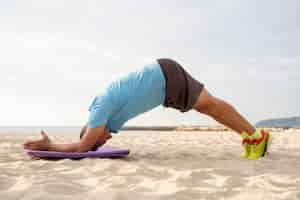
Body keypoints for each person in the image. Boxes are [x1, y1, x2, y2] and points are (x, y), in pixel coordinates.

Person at [23, 58, 270, 160]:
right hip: (163, 77)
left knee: (210, 106)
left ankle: (255, 137)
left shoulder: (98, 111)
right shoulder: (109, 119)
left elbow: (82, 147)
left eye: (99, 140)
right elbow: (87, 143)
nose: (106, 140)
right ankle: (252, 136)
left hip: (164, 79)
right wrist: (93, 142)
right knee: (210, 106)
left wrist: (49, 146)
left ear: (91, 128)